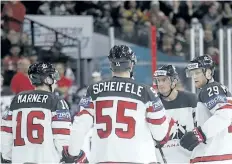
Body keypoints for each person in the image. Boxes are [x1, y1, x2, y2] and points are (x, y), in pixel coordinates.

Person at [61, 45, 172, 163]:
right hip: (137, 160)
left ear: (111, 65)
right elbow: (160, 134)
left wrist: (72, 153)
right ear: (131, 64)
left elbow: (80, 125)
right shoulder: (147, 92)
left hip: (102, 159)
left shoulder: (93, 90)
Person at [1, 62, 71, 163]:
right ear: (47, 79)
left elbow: (6, 132)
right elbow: (62, 138)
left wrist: (6, 157)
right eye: (53, 77)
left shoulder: (16, 100)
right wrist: (70, 156)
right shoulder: (56, 101)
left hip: (19, 160)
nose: (55, 81)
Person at [180, 55, 232, 164]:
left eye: (197, 73)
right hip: (221, 154)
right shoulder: (219, 89)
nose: (194, 77)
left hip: (212, 156)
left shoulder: (210, 88)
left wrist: (200, 134)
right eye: (192, 73)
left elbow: (225, 114)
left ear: (208, 73)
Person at [153, 65, 197, 163]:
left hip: (189, 159)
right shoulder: (153, 103)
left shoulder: (191, 99)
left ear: (174, 81)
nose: (160, 84)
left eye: (164, 80)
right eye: (158, 80)